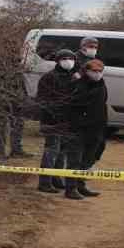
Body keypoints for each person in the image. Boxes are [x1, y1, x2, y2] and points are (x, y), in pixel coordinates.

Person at [36, 49, 85, 199]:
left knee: (62, 152)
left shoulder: (73, 76)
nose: (68, 61)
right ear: (58, 60)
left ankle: (57, 178)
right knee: (52, 150)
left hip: (66, 121)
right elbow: (44, 101)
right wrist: (55, 116)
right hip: (52, 121)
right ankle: (44, 182)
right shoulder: (49, 77)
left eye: (71, 58)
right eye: (65, 58)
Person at [70, 59, 108, 197]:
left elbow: (102, 104)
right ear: (87, 71)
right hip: (81, 128)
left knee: (90, 157)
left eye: (100, 71)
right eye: (94, 71)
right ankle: (71, 188)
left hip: (97, 128)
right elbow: (74, 106)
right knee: (75, 159)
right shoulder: (79, 85)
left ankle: (81, 185)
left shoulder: (102, 85)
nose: (97, 74)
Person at [0, 55, 32, 160]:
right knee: (0, 126)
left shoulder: (17, 70)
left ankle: (16, 150)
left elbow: (21, 85)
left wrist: (24, 98)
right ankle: (0, 152)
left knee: (18, 124)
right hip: (1, 102)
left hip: (17, 102)